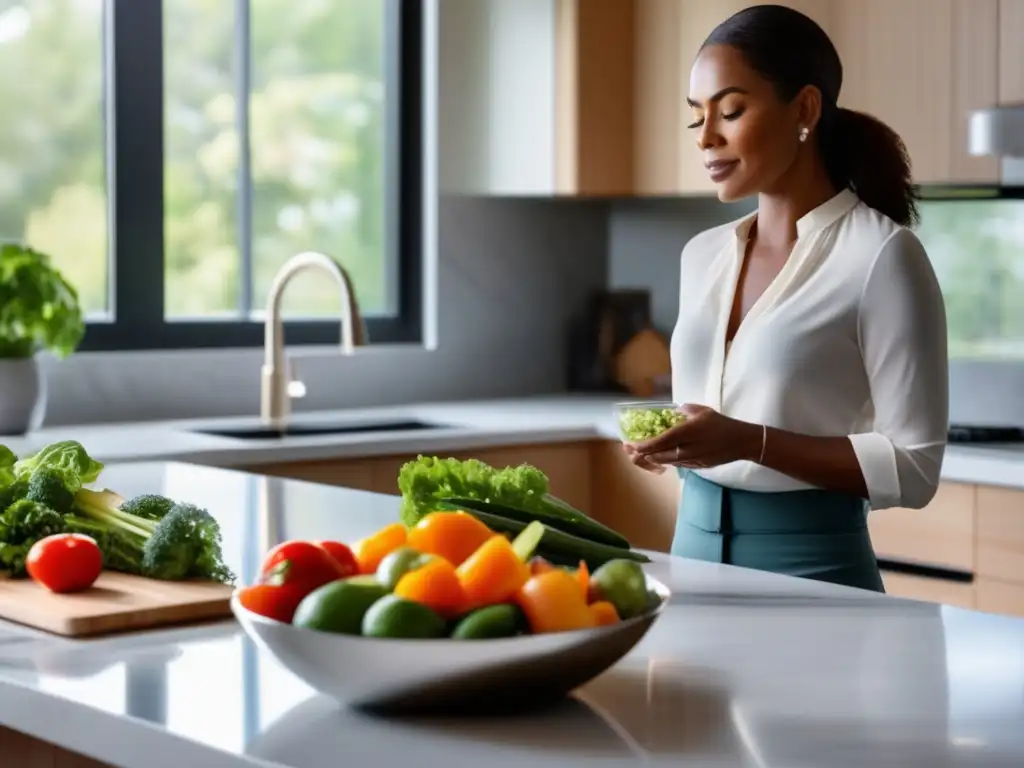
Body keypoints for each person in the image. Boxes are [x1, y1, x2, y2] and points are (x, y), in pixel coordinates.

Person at [623, 4, 949, 592]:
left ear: (804, 108)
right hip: (688, 553)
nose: (707, 137)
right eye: (696, 117)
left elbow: (915, 466)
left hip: (814, 566)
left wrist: (748, 440)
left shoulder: (882, 256)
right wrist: (671, 444)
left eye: (730, 110)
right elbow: (705, 414)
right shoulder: (702, 254)